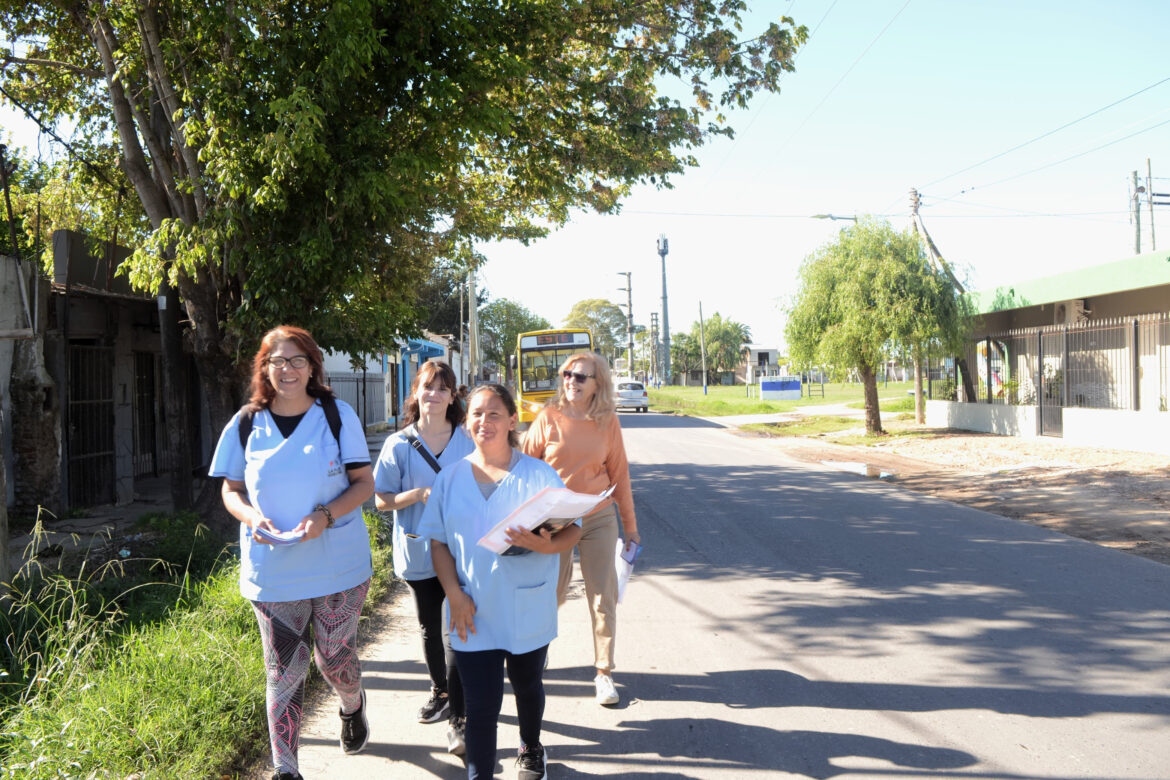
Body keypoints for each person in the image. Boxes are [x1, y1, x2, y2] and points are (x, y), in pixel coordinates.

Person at [208, 325, 375, 780]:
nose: (288, 369)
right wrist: (251, 518)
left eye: (297, 360)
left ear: (312, 367)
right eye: (277, 361)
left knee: (334, 657)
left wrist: (324, 515)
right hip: (274, 569)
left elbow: (364, 483)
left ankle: (351, 703)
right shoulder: (246, 423)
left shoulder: (336, 415)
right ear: (264, 367)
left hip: (339, 565)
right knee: (284, 670)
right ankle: (287, 770)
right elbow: (231, 490)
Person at [418, 384, 583, 780]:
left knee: (527, 686)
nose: (484, 421)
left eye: (494, 414)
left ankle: (531, 746)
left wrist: (545, 545)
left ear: (512, 421)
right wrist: (453, 594)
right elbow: (438, 543)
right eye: (476, 413)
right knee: (481, 707)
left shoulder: (539, 475)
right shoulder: (450, 479)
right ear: (465, 422)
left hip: (527, 605)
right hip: (470, 608)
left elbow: (573, 528)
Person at [521, 352, 641, 707]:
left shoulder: (607, 421)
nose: (571, 381)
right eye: (567, 374)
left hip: (598, 516)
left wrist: (630, 527)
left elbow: (619, 475)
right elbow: (524, 469)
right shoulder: (548, 418)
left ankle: (604, 673)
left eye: (580, 376)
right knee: (551, 592)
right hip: (555, 519)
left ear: (596, 384)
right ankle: (538, 649)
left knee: (603, 595)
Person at [373, 361, 474, 754]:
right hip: (418, 549)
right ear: (415, 392)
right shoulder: (398, 444)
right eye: (428, 387)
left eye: (443, 388)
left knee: (457, 628)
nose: (434, 394)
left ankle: (460, 717)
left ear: (452, 397)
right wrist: (417, 495)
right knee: (430, 627)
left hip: (462, 552)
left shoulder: (467, 439)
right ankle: (441, 691)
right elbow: (381, 500)